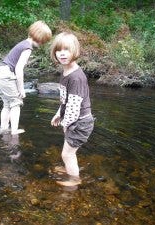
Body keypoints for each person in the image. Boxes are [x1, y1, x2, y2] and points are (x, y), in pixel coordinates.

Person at [50, 32, 94, 187]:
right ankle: (69, 168)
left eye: (67, 50)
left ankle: (74, 180)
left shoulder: (76, 77)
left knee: (67, 154)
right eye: (59, 50)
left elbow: (74, 108)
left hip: (79, 123)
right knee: (68, 152)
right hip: (72, 121)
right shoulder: (66, 71)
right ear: (54, 52)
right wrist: (58, 114)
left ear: (75, 51)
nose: (62, 53)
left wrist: (65, 123)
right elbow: (65, 100)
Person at [0, 21, 52, 135]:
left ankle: (3, 129)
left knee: (6, 104)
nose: (43, 43)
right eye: (44, 41)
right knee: (16, 103)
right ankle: (14, 131)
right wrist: (21, 89)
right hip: (6, 75)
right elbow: (19, 69)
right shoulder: (28, 48)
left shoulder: (23, 43)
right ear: (40, 38)